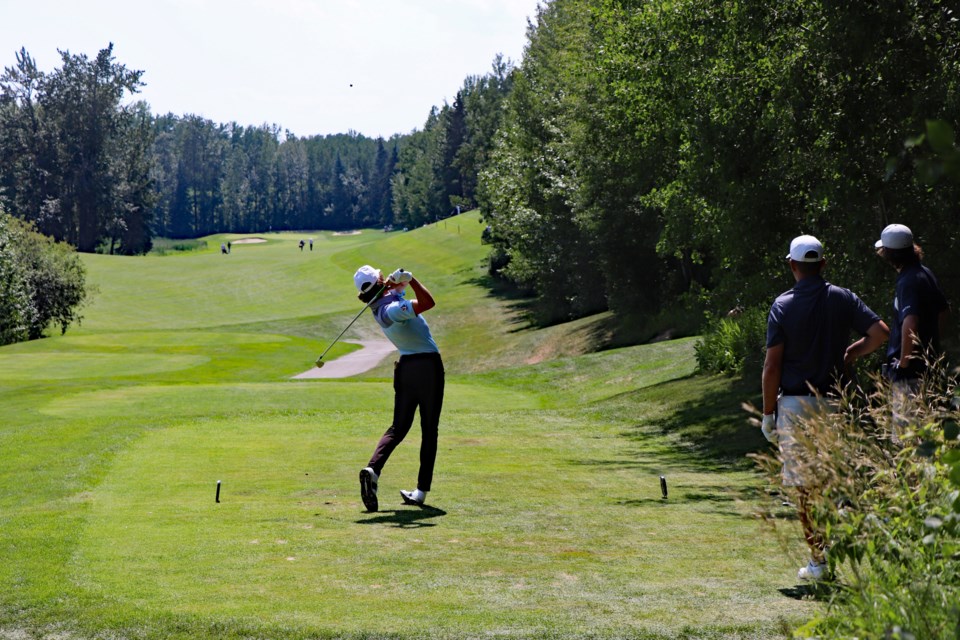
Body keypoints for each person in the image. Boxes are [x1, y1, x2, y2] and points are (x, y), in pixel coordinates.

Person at [761, 234, 888, 581]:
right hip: (834, 402)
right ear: (823, 265)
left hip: (796, 405)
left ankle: (818, 562)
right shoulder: (842, 298)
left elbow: (772, 366)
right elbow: (879, 333)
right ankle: (837, 548)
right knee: (831, 480)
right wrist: (852, 352)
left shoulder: (783, 305)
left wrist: (767, 413)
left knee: (805, 487)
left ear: (792, 265)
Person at [354, 265, 444, 512]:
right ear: (379, 280)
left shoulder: (382, 303)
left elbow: (394, 293)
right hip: (427, 367)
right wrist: (413, 279)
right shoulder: (391, 309)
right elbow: (427, 303)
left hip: (405, 368)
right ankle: (421, 492)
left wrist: (397, 283)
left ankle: (373, 469)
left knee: (399, 427)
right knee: (429, 430)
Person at [875, 224, 950, 433]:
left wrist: (905, 360)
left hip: (910, 375)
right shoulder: (925, 273)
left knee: (907, 439)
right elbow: (944, 311)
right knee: (929, 435)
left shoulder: (907, 280)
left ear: (888, 254)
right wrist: (931, 344)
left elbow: (911, 321)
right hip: (928, 369)